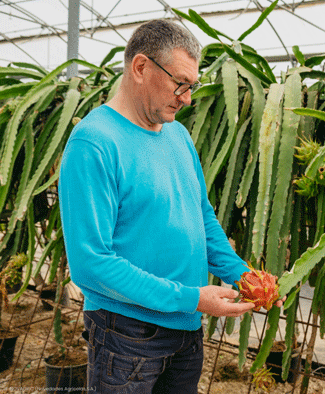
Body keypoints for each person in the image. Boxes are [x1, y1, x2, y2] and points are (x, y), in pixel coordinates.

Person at [58, 19, 281, 393]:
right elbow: (90, 263)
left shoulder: (178, 134)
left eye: (191, 86)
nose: (187, 97)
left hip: (186, 328)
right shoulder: (94, 143)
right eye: (180, 83)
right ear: (141, 67)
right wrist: (193, 298)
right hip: (126, 335)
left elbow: (201, 216)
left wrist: (241, 273)